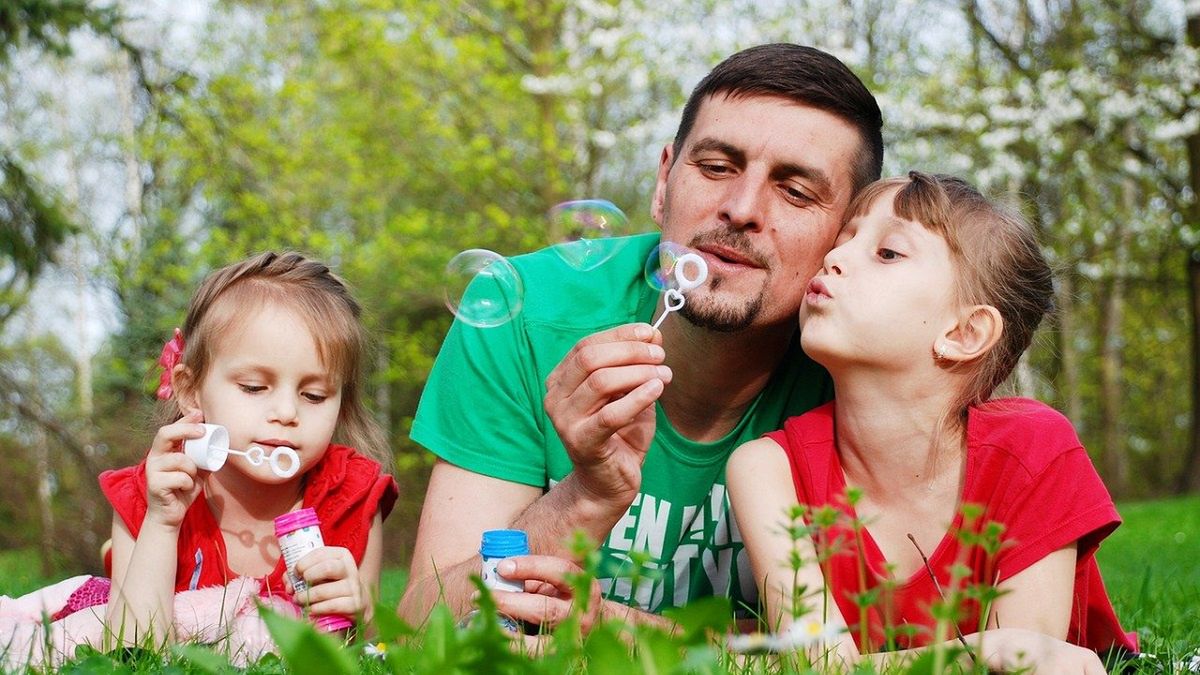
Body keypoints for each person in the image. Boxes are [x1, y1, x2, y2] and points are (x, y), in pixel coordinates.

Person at [399, 43, 884, 629]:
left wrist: (629, 637)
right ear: (663, 182)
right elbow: (423, 624)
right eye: (716, 167)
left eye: (796, 191)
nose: (741, 208)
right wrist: (585, 497)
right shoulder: (519, 309)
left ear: (846, 237)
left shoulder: (869, 366)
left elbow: (867, 647)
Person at [726, 172, 1137, 672]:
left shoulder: (1034, 449)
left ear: (964, 333)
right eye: (845, 238)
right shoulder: (766, 468)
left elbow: (1034, 664)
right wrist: (986, 651)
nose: (834, 257)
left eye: (888, 253)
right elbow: (818, 664)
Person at [100, 251, 398, 643]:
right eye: (254, 388)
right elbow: (130, 651)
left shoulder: (352, 497)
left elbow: (373, 652)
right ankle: (113, 562)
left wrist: (362, 611)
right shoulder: (149, 496)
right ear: (191, 391)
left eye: (314, 395)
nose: (287, 412)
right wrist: (162, 524)